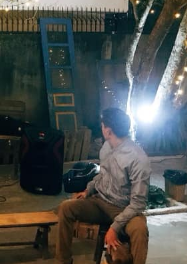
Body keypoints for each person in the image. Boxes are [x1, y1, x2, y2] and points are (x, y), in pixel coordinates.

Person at [56, 108, 150, 264]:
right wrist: (88, 189)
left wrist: (114, 228)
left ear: (108, 131)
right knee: (66, 208)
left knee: (139, 230)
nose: (101, 128)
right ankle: (63, 261)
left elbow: (138, 203)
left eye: (102, 125)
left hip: (123, 208)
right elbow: (103, 174)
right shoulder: (107, 147)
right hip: (100, 201)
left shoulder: (138, 158)